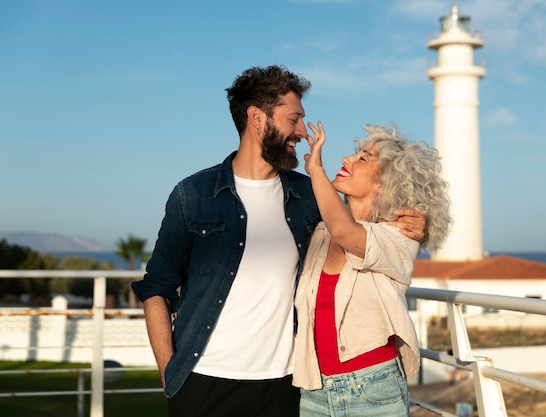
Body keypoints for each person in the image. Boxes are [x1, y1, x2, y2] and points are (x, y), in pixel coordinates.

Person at [131, 65, 427, 417]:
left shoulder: (310, 197)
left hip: (286, 387)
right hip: (203, 380)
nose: (302, 131)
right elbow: (157, 288)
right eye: (294, 119)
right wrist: (170, 374)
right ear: (257, 118)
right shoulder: (192, 195)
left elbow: (357, 225)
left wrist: (417, 225)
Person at [293, 121, 452, 416]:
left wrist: (316, 169)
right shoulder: (319, 233)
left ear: (385, 182)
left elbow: (346, 231)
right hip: (313, 390)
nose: (347, 159)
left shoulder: (397, 237)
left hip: (372, 388)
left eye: (363, 158)